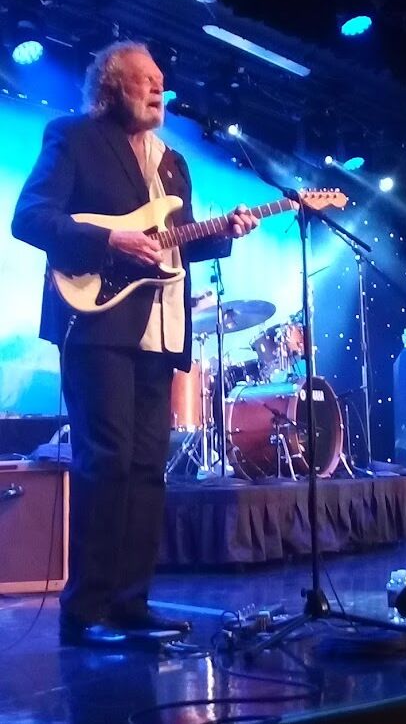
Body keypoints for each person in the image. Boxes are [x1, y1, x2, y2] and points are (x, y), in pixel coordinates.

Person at [11, 41, 259, 645]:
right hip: (96, 321)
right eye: (144, 79)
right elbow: (30, 218)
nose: (157, 87)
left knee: (149, 468)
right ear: (111, 86)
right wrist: (109, 242)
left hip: (161, 327)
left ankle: (130, 603)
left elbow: (177, 240)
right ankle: (86, 611)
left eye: (160, 80)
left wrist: (226, 232)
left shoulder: (174, 162)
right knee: (107, 461)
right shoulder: (73, 136)